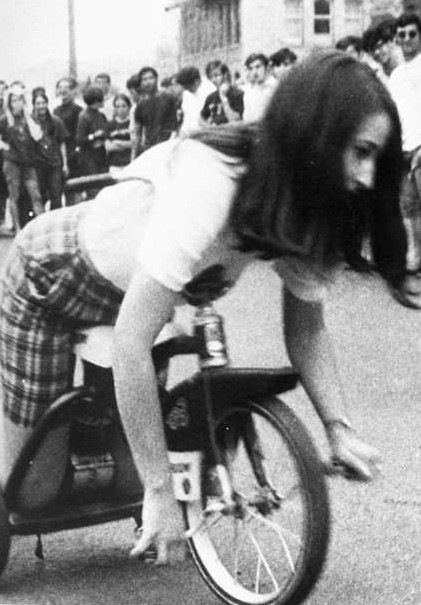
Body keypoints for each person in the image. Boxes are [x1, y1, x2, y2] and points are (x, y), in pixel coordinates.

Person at [0, 51, 409, 564]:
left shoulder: (311, 206)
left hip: (141, 299)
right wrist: (159, 490)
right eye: (360, 152)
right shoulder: (214, 178)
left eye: (378, 159)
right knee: (31, 492)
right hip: (52, 276)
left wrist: (337, 429)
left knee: (127, 475)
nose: (368, 177)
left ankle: (93, 439)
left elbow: (306, 328)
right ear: (314, 135)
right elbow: (132, 341)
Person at [389, 14, 421, 275]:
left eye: (412, 33)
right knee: (409, 209)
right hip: (404, 149)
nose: (407, 39)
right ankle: (416, 256)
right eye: (402, 35)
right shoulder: (397, 74)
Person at [0, 85, 44, 232]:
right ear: (9, 103)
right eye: (14, 100)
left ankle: (41, 227)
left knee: (35, 194)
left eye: (19, 99)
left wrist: (29, 119)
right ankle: (17, 228)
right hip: (12, 162)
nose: (17, 103)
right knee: (14, 195)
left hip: (28, 161)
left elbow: (38, 136)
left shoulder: (29, 118)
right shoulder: (5, 120)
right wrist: (4, 146)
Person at [32, 90, 69, 211]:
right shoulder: (31, 122)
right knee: (40, 197)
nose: (41, 106)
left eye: (43, 103)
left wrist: (65, 164)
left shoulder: (56, 121)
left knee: (56, 196)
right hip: (38, 165)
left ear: (47, 104)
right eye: (38, 103)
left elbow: (62, 143)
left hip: (54, 164)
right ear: (34, 105)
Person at [131, 66, 178, 159]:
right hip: (150, 149)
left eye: (151, 78)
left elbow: (176, 124)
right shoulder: (140, 106)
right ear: (141, 83)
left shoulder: (169, 98)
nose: (148, 82)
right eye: (144, 79)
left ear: (156, 79)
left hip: (169, 146)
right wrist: (135, 156)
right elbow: (138, 133)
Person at [53, 77, 83, 180]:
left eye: (66, 88)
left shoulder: (78, 110)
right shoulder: (56, 110)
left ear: (73, 90)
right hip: (59, 151)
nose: (62, 90)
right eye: (60, 88)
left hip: (73, 151)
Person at [76, 86, 109, 177]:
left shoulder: (101, 115)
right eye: (101, 100)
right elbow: (79, 139)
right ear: (95, 101)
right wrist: (93, 136)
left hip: (101, 153)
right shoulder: (84, 117)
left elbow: (107, 131)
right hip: (88, 156)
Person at [200, 61, 244, 126]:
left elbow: (235, 120)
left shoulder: (238, 94)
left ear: (225, 75)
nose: (213, 80)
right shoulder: (210, 97)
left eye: (216, 75)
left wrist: (223, 98)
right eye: (210, 77)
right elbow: (201, 118)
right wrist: (208, 127)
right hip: (215, 131)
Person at [175, 66, 215, 134]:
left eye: (187, 87)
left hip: (202, 133)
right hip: (186, 132)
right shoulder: (187, 93)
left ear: (196, 81)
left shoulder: (210, 91)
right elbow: (186, 115)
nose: (186, 89)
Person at [243, 53, 276, 122]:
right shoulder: (249, 94)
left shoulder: (275, 87)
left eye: (258, 67)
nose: (254, 72)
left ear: (266, 68)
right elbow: (247, 119)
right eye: (251, 68)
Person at [106, 93, 132, 170]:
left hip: (130, 163)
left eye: (124, 106)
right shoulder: (109, 125)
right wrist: (126, 145)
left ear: (129, 107)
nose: (121, 109)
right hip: (115, 164)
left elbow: (135, 143)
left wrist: (117, 142)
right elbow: (108, 147)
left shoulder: (132, 123)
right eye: (117, 107)